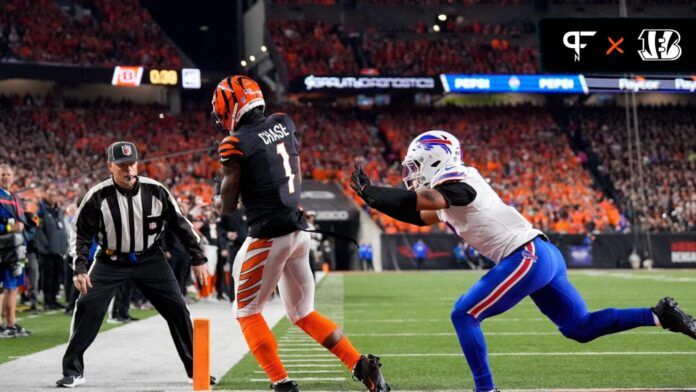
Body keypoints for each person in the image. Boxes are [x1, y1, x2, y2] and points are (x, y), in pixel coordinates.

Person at [350, 130, 696, 392]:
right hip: (539, 255)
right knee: (580, 327)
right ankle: (658, 315)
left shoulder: (458, 179)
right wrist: (374, 199)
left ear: (435, 158)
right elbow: (417, 215)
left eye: (415, 164)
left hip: (526, 255)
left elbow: (424, 199)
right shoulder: (448, 190)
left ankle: (485, 390)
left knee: (464, 313)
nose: (410, 172)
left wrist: (374, 192)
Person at [213, 75, 389, 392]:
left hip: (268, 236)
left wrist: (221, 192)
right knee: (303, 312)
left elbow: (227, 205)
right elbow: (272, 160)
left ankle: (282, 384)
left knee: (247, 312)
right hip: (298, 232)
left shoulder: (234, 144)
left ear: (233, 108)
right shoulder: (284, 122)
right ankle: (361, 366)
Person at [56, 141, 215, 388]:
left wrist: (199, 258)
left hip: (150, 258)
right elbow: (81, 235)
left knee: (178, 309)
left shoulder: (156, 190)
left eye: (132, 164)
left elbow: (181, 225)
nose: (128, 170)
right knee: (87, 306)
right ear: (110, 166)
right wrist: (80, 268)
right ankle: (73, 370)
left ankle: (196, 369)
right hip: (110, 260)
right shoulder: (97, 195)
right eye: (121, 166)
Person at [0, 163, 31, 338]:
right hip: (2, 247)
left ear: (13, 177)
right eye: (2, 174)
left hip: (17, 249)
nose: (5, 177)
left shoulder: (15, 197)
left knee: (12, 286)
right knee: (2, 287)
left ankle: (11, 324)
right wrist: (9, 228)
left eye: (8, 174)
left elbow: (22, 222)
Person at [35, 188, 69, 309]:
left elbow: (62, 228)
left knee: (56, 275)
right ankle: (47, 301)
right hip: (46, 251)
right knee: (47, 276)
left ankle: (54, 299)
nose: (53, 197)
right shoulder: (40, 210)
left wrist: (63, 245)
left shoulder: (58, 210)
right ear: (46, 195)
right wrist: (45, 245)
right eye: (50, 195)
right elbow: (37, 230)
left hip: (58, 249)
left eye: (55, 195)